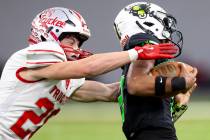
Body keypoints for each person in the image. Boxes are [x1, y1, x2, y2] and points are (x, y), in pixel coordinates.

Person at [0, 7, 178, 140]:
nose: (76, 49)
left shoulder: (62, 77)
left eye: (79, 44)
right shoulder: (43, 50)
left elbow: (111, 92)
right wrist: (137, 53)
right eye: (71, 41)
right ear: (48, 34)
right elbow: (87, 68)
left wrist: (161, 84)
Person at [114, 2, 198, 140]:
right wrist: (181, 83)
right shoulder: (145, 41)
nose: (168, 29)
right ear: (143, 22)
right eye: (161, 20)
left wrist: (176, 99)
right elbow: (137, 84)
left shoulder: (134, 57)